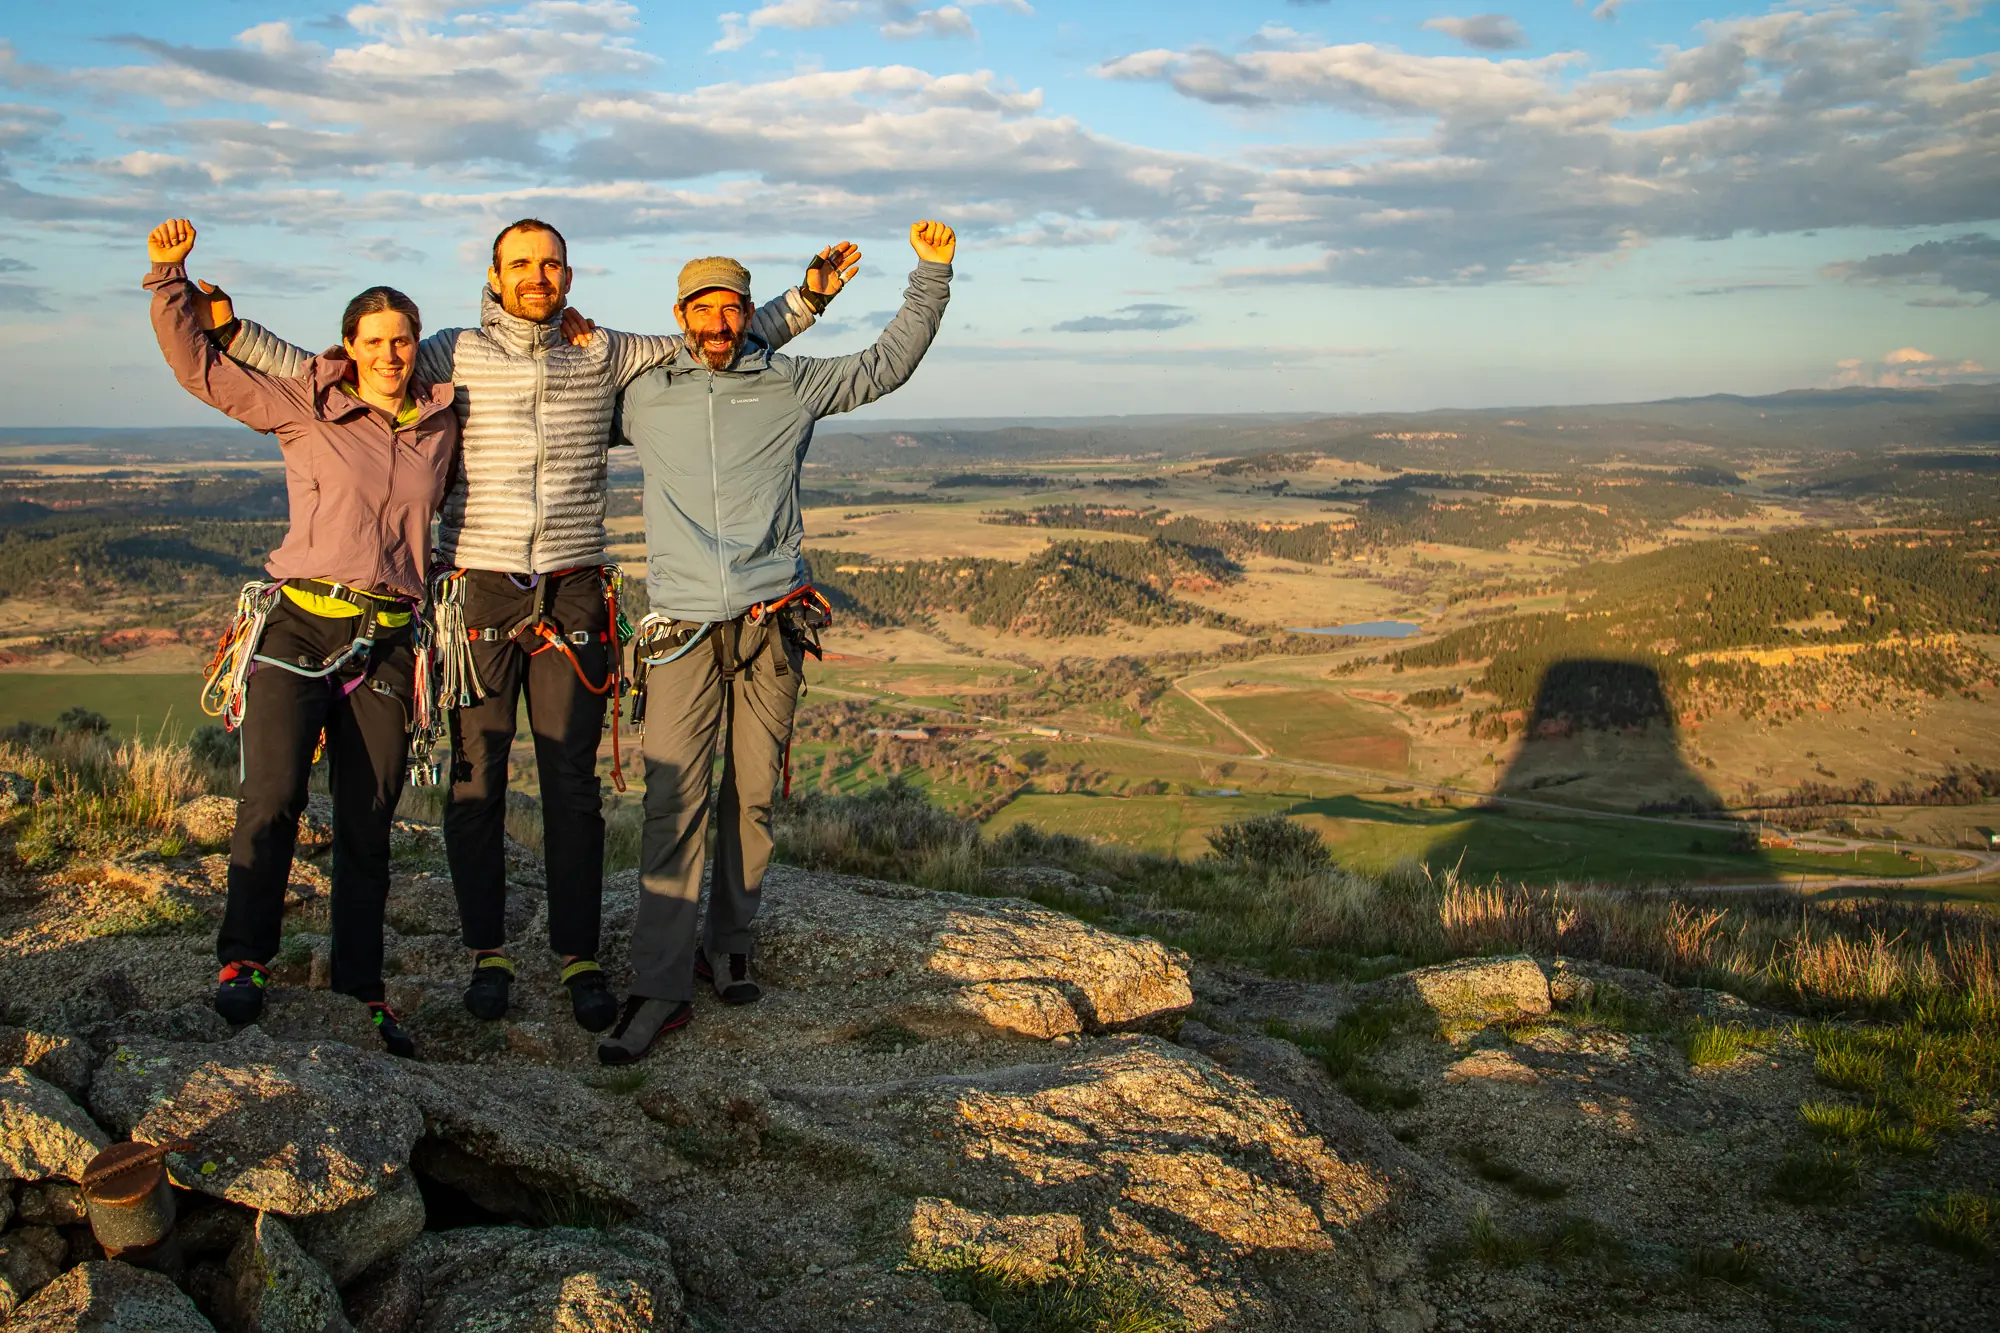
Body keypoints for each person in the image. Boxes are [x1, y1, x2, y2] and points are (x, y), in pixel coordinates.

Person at [203, 221, 859, 1033]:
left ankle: (578, 955)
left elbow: (712, 336)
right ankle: (489, 953)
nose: (537, 276)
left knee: (572, 787)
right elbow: (335, 368)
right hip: (477, 588)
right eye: (522, 264)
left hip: (575, 585)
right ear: (495, 274)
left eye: (550, 264)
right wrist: (233, 333)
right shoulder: (448, 351)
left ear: (569, 273)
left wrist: (808, 302)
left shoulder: (605, 349)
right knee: (477, 780)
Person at [597, 220, 956, 1065]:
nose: (717, 325)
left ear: (746, 312)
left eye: (731, 310)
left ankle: (731, 941)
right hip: (683, 630)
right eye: (702, 311)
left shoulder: (791, 385)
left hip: (772, 624)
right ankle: (658, 983)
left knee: (752, 797)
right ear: (681, 317)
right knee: (672, 806)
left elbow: (884, 365)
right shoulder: (643, 395)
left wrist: (930, 277)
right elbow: (557, 402)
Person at [145, 218, 458, 1058]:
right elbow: (200, 370)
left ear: (417, 346)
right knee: (273, 798)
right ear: (348, 345)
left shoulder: (442, 421)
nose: (391, 353)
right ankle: (244, 959)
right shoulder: (304, 405)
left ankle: (362, 989)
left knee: (367, 822)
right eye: (375, 340)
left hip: (391, 640)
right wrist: (168, 279)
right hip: (299, 625)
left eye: (404, 339)